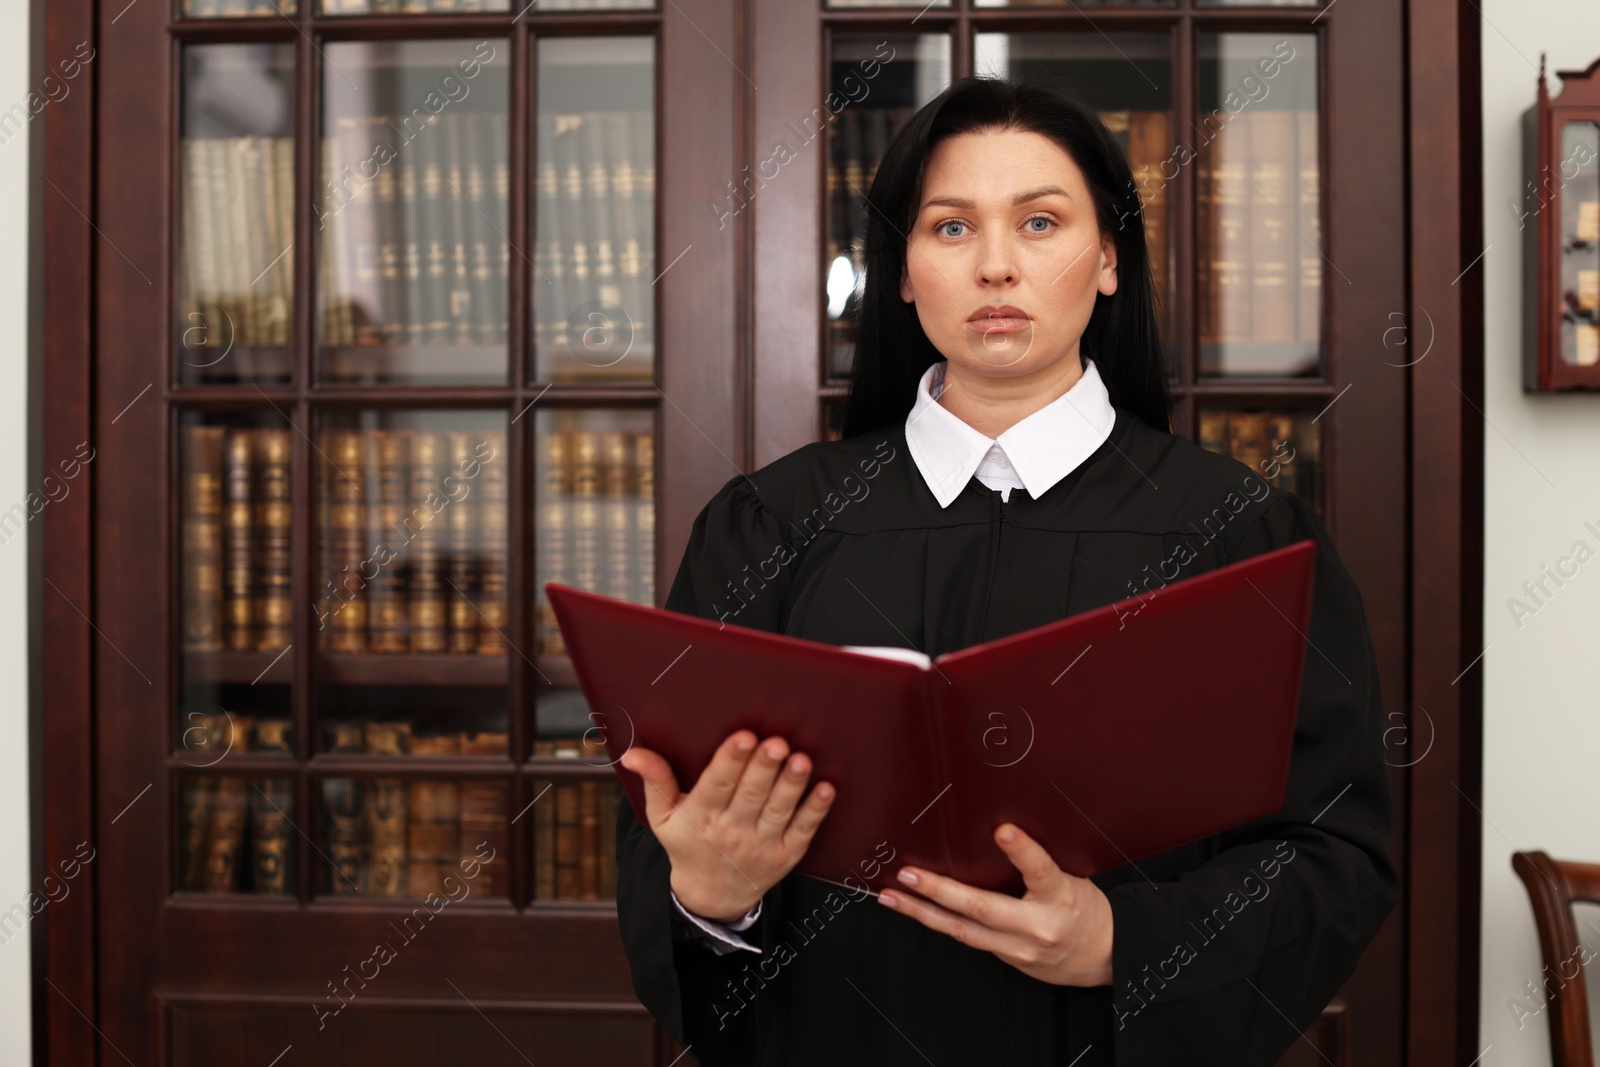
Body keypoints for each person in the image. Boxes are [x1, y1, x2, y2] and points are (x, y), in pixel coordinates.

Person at [612, 75, 1400, 1066]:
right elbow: (667, 830)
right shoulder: (772, 524)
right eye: (949, 228)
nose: (994, 266)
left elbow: (1336, 850)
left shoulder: (1236, 532)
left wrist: (1126, 941)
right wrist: (710, 898)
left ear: (1108, 258)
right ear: (900, 270)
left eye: (1039, 221)